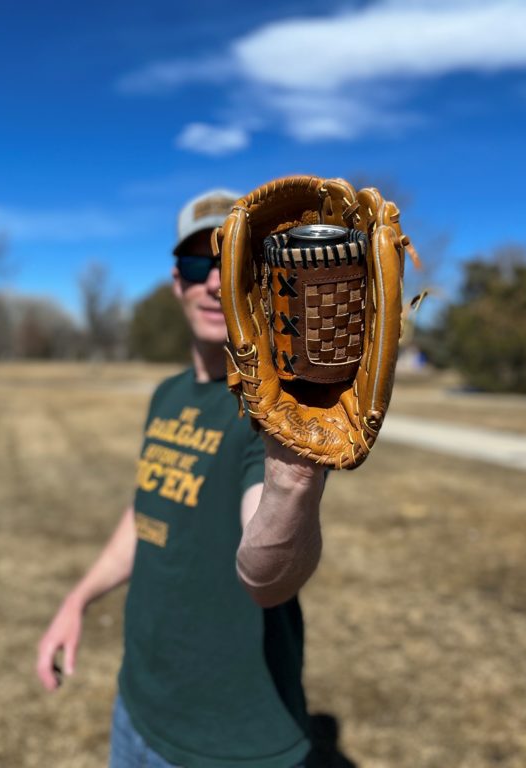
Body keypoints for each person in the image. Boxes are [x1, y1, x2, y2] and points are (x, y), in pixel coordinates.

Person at [36, 189, 328, 767]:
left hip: (227, 739)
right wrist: (78, 599)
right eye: (199, 264)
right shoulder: (166, 395)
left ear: (260, 279)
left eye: (234, 262)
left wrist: (293, 479)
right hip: (139, 705)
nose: (215, 283)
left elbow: (268, 581)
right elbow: (149, 513)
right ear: (177, 282)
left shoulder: (269, 411)